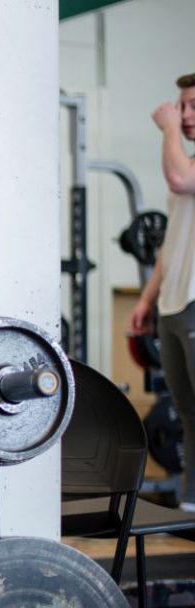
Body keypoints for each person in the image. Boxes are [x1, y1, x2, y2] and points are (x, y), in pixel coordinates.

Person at [130, 73, 195, 512]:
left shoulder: (184, 168)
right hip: (175, 305)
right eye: (182, 107)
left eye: (192, 107)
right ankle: (191, 506)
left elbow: (177, 178)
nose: (185, 116)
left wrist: (169, 127)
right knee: (188, 414)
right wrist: (148, 298)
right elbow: (173, 243)